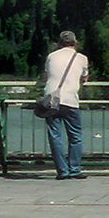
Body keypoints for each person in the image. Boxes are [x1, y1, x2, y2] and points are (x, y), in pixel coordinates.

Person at [41, 30, 90, 180]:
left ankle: (62, 171)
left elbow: (46, 75)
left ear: (59, 44)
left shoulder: (51, 56)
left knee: (55, 135)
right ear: (75, 43)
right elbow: (84, 78)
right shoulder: (81, 58)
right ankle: (74, 169)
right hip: (70, 100)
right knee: (75, 136)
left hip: (51, 99)